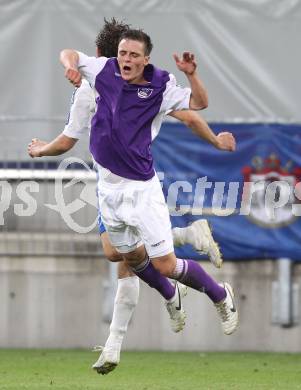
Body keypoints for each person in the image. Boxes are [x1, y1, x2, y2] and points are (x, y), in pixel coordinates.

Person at [29, 20, 236, 375]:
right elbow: (69, 56)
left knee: (162, 265)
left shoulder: (159, 84)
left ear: (144, 59)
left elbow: (192, 111)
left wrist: (195, 83)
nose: (125, 59)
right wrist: (68, 67)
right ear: (111, 56)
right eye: (121, 53)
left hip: (140, 189)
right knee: (124, 255)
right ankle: (173, 280)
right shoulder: (98, 76)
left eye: (132, 55)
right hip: (107, 190)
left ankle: (219, 294)